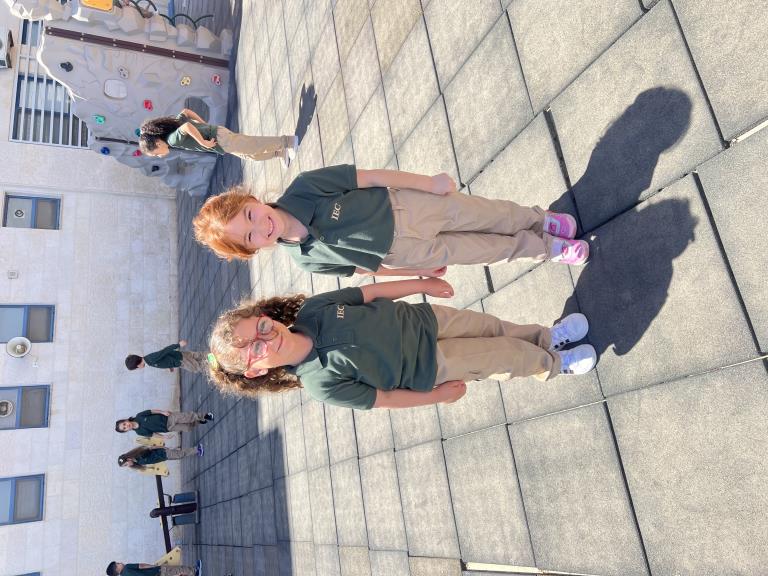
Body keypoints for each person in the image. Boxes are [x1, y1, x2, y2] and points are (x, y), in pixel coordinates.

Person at [205, 278, 596, 410]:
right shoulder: (320, 384)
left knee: (496, 328)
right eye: (255, 349)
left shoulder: (313, 310)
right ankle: (554, 364)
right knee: (502, 356)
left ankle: (548, 338)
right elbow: (385, 399)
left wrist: (422, 283)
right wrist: (437, 396)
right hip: (431, 363)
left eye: (260, 327)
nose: (266, 338)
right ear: (256, 371)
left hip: (427, 320)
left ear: (265, 316)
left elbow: (370, 293)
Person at [192, 164, 588, 275]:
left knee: (489, 214)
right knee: (487, 251)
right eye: (250, 237)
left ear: (252, 200)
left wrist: (429, 184)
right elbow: (368, 269)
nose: (261, 227)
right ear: (252, 250)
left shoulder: (305, 187)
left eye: (250, 215)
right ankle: (546, 248)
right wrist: (419, 272)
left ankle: (537, 219)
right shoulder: (305, 260)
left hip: (407, 207)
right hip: (405, 252)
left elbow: (369, 177)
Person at [139, 108, 298, 167]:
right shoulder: (173, 128)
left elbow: (187, 126)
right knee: (251, 155)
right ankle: (279, 153)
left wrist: (203, 141)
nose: (159, 156)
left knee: (252, 146)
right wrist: (204, 125)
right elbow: (186, 112)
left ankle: (288, 142)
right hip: (220, 138)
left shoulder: (172, 140)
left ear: (157, 142)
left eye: (156, 154)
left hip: (220, 140)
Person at [125, 340, 207, 374]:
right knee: (196, 356)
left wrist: (178, 345)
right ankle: (211, 355)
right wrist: (170, 366)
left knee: (196, 367)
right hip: (178, 356)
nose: (138, 368)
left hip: (180, 360)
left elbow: (164, 351)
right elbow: (163, 358)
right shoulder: (148, 361)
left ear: (138, 365)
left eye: (136, 368)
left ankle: (213, 365)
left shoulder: (150, 359)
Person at [115, 409, 213, 436]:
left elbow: (152, 411)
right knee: (187, 428)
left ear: (125, 420)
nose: (126, 426)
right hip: (167, 428)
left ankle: (205, 415)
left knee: (187, 417)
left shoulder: (139, 416)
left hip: (168, 418)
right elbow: (153, 434)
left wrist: (163, 412)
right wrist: (164, 437)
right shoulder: (139, 432)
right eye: (124, 428)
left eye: (124, 424)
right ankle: (198, 421)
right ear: (126, 431)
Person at [117, 444, 203, 471]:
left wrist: (163, 447)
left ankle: (197, 449)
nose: (128, 466)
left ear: (128, 459)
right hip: (163, 457)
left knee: (181, 454)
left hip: (163, 453)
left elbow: (151, 448)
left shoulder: (139, 455)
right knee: (180, 456)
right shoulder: (137, 462)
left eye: (126, 464)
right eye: (125, 466)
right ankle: (196, 450)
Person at [105, 559, 199, 576]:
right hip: (157, 572)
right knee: (176, 570)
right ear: (117, 569)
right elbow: (141, 566)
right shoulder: (127, 567)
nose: (121, 562)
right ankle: (195, 571)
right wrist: (153, 566)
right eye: (118, 563)